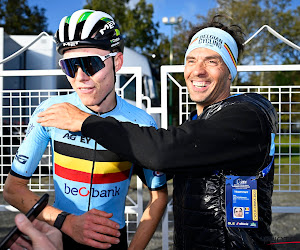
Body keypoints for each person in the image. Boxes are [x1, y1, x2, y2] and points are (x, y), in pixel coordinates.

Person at [36, 15, 278, 249]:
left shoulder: (248, 115)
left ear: (230, 71)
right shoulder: (196, 123)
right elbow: (159, 164)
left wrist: (85, 122)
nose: (198, 70)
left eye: (212, 61)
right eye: (191, 60)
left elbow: (162, 152)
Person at [3, 9, 168, 250]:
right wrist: (67, 223)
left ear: (118, 62)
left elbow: (159, 196)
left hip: (112, 241)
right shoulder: (50, 111)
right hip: (59, 237)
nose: (81, 77)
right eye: (71, 66)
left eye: (91, 64)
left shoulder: (141, 122)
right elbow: (12, 189)